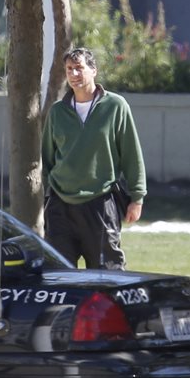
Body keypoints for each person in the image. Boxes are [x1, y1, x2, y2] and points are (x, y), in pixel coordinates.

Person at [42, 47, 147, 270]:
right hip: (60, 206)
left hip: (100, 203)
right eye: (69, 69)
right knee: (58, 275)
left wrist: (137, 198)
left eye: (79, 68)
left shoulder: (115, 106)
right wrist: (47, 197)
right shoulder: (57, 112)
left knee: (107, 275)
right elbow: (47, 159)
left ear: (94, 71)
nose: (74, 74)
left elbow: (131, 154)